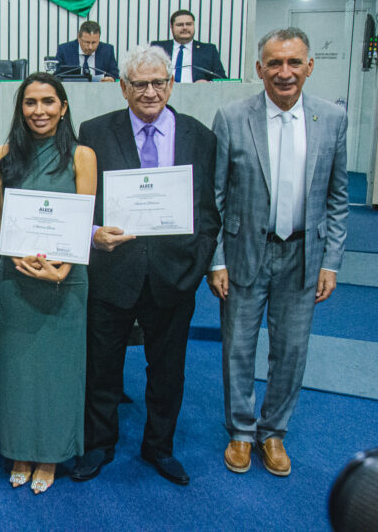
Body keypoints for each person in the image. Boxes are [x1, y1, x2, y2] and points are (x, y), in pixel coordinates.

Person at [73, 44, 220, 486]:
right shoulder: (94, 132)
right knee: (102, 368)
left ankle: (159, 447)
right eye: (140, 84)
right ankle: (99, 445)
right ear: (123, 88)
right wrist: (93, 232)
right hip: (113, 273)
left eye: (159, 83)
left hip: (174, 278)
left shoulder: (200, 136)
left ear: (171, 84)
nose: (150, 92)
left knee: (168, 372)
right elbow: (83, 201)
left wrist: (194, 267)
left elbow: (208, 211)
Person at [207, 28, 347, 477]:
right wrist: (217, 259)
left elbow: (337, 198)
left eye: (293, 63)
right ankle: (242, 433)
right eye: (274, 63)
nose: (283, 73)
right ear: (259, 69)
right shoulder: (231, 118)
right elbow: (215, 196)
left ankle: (273, 433)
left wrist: (331, 262)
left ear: (309, 66)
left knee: (291, 350)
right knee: (238, 349)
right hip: (246, 251)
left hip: (304, 256)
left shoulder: (332, 119)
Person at [0, 73, 96, 494]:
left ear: (64, 107)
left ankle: (52, 453)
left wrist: (63, 269)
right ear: (21, 109)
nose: (40, 111)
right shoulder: (1, 153)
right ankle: (20, 449)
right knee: (18, 372)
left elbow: (83, 217)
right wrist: (14, 253)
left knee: (59, 372)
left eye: (49, 102)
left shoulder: (82, 155)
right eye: (31, 103)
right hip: (16, 278)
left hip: (64, 281)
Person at [151, 10, 227, 82]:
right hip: (164, 92)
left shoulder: (209, 50)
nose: (185, 28)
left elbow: (222, 79)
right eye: (180, 25)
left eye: (189, 24)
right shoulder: (158, 47)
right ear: (171, 27)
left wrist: (208, 83)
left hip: (197, 93)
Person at [54, 20, 119, 81]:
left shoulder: (107, 50)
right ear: (79, 38)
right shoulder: (64, 50)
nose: (90, 47)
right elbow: (56, 76)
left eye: (94, 42)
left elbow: (115, 75)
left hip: (100, 90)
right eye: (87, 42)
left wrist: (111, 79)